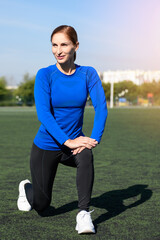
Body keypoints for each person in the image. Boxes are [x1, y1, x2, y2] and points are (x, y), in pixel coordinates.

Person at [17, 25, 108, 234]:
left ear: (75, 46)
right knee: (42, 206)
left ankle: (83, 214)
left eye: (64, 44)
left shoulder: (88, 74)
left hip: (74, 145)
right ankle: (26, 188)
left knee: (86, 155)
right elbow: (44, 115)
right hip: (47, 146)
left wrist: (93, 139)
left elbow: (101, 108)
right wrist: (68, 141)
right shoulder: (44, 75)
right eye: (54, 45)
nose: (58, 50)